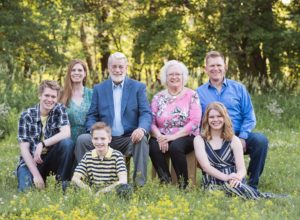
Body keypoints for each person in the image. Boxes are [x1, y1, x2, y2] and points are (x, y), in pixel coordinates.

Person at [75, 52, 152, 187]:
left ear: (126, 68)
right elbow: (92, 115)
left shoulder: (138, 87)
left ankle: (139, 186)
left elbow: (145, 113)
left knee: (142, 140)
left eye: (121, 67)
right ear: (109, 68)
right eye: (114, 66)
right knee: (82, 140)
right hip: (104, 137)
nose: (117, 70)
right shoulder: (99, 88)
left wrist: (141, 129)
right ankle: (86, 184)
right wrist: (94, 132)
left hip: (128, 138)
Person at [197, 51, 268, 189]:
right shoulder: (199, 92)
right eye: (211, 66)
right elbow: (197, 119)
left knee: (260, 140)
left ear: (225, 67)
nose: (215, 69)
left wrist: (242, 137)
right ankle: (215, 179)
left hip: (238, 134)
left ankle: (252, 184)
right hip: (213, 138)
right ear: (206, 69)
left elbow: (249, 116)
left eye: (219, 65)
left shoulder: (239, 88)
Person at [194, 102, 267, 199]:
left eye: (219, 116)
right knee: (223, 192)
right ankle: (256, 196)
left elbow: (241, 169)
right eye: (212, 117)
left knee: (235, 188)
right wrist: (226, 177)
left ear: (224, 118)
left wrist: (237, 177)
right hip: (212, 181)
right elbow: (206, 167)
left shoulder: (234, 140)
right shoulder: (199, 140)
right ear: (206, 119)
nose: (215, 120)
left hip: (234, 180)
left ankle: (253, 195)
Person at [149, 60, 201, 189]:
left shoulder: (192, 95)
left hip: (186, 135)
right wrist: (159, 136)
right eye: (170, 74)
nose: (174, 77)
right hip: (162, 135)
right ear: (165, 78)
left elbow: (194, 122)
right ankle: (165, 181)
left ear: (184, 77)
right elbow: (151, 121)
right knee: (153, 146)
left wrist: (172, 137)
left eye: (178, 74)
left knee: (175, 147)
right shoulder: (158, 97)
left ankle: (183, 184)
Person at [17, 80, 74, 192]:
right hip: (31, 162)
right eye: (46, 95)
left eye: (53, 97)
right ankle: (37, 178)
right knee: (25, 192)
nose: (49, 100)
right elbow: (24, 149)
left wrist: (42, 144)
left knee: (67, 143)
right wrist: (36, 175)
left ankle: (62, 185)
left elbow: (66, 133)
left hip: (50, 158)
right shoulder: (26, 115)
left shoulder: (59, 109)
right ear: (40, 95)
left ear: (57, 98)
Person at [72, 122, 130, 194]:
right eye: (96, 138)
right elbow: (75, 178)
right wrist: (87, 189)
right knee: (67, 185)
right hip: (93, 189)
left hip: (110, 190)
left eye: (103, 138)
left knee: (126, 188)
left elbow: (123, 180)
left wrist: (102, 192)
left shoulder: (117, 155)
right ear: (92, 140)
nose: (99, 142)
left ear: (109, 139)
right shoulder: (88, 155)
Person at [60, 59, 93, 143]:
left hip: (88, 139)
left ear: (85, 73)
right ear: (69, 73)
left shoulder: (92, 94)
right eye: (73, 70)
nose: (76, 73)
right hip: (68, 140)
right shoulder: (61, 95)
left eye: (80, 70)